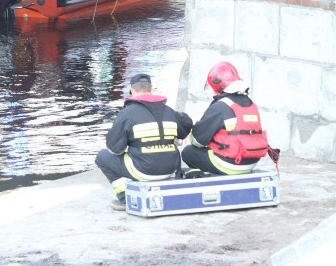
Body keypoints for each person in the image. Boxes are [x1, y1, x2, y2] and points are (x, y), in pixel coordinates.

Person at [95, 74, 193, 211]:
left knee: (102, 157)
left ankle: (125, 198)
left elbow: (114, 149)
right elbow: (185, 128)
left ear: (132, 91)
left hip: (144, 171)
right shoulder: (169, 111)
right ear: (151, 90)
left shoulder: (127, 114)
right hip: (171, 169)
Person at [181, 62, 272, 175]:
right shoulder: (250, 104)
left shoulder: (220, 106)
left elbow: (197, 141)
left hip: (231, 163)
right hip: (252, 161)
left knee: (188, 152)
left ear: (217, 85)